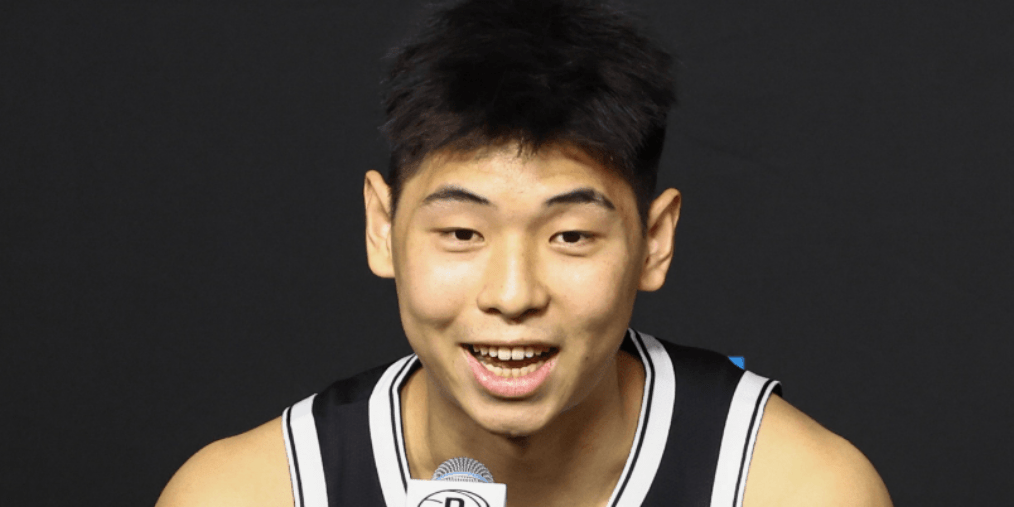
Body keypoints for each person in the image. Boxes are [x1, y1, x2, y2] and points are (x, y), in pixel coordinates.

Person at [156, 1, 892, 506]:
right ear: (382, 226)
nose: (512, 295)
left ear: (654, 241)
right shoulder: (254, 491)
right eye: (462, 233)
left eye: (570, 236)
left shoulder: (787, 488)